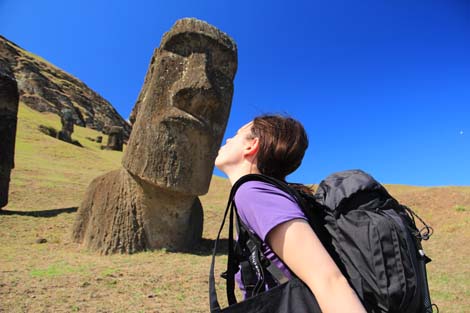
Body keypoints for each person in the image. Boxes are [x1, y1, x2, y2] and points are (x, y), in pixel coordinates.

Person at [214, 115, 366, 313]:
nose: (228, 140)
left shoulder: (254, 193)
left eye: (236, 135)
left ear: (251, 146)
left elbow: (329, 281)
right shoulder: (264, 194)